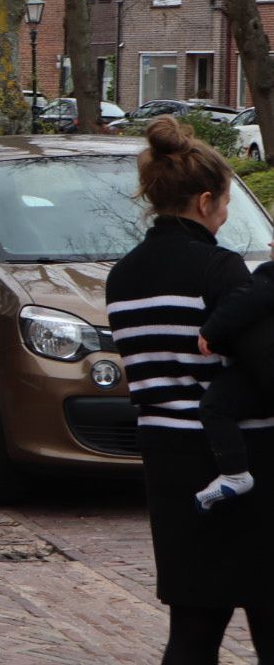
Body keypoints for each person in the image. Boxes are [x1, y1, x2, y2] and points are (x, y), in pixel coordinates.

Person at [106, 116, 274, 662]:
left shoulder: (123, 276)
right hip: (249, 468)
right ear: (205, 202)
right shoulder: (220, 269)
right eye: (225, 204)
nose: (225, 216)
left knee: (193, 632)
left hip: (170, 467)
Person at [194, 233, 274, 510]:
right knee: (217, 406)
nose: (270, 245)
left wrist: (210, 331)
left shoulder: (267, 278)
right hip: (258, 374)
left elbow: (245, 301)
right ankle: (235, 474)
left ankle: (234, 471)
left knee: (215, 407)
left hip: (260, 373)